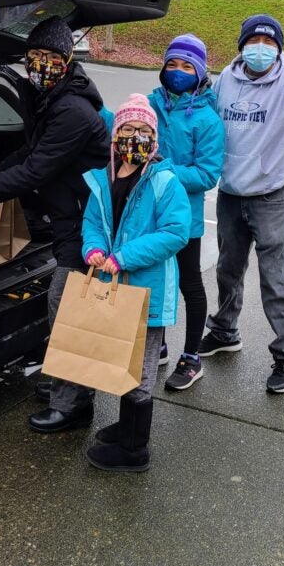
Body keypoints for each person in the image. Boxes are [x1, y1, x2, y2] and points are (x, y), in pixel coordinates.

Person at [0, 15, 110, 429]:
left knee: (67, 309)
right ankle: (64, 382)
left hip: (86, 224)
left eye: (50, 55)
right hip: (68, 219)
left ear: (67, 58)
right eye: (34, 55)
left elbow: (38, 169)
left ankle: (73, 405)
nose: (40, 63)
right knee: (65, 307)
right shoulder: (54, 99)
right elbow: (28, 154)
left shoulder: (71, 109)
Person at [198, 0, 284, 394]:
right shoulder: (226, 81)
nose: (261, 47)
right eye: (253, 40)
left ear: (277, 48)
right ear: (242, 47)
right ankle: (224, 331)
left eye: (268, 41)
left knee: (276, 280)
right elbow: (203, 120)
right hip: (231, 196)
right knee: (227, 271)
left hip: (272, 197)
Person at [82, 93, 191, 472]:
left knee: (141, 367)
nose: (134, 136)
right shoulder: (104, 177)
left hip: (148, 291)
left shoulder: (164, 181)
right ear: (115, 136)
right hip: (116, 286)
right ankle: (126, 425)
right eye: (127, 129)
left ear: (154, 138)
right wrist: (93, 248)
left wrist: (124, 257)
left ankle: (134, 449)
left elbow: (176, 232)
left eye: (143, 130)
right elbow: (93, 222)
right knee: (121, 359)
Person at [147, 34, 225, 390]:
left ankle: (192, 356)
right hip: (146, 213)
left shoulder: (207, 120)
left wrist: (165, 169)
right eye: (172, 64)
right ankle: (156, 345)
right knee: (150, 282)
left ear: (201, 72)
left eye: (187, 66)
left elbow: (208, 174)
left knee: (188, 283)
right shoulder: (150, 104)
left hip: (183, 218)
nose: (178, 72)